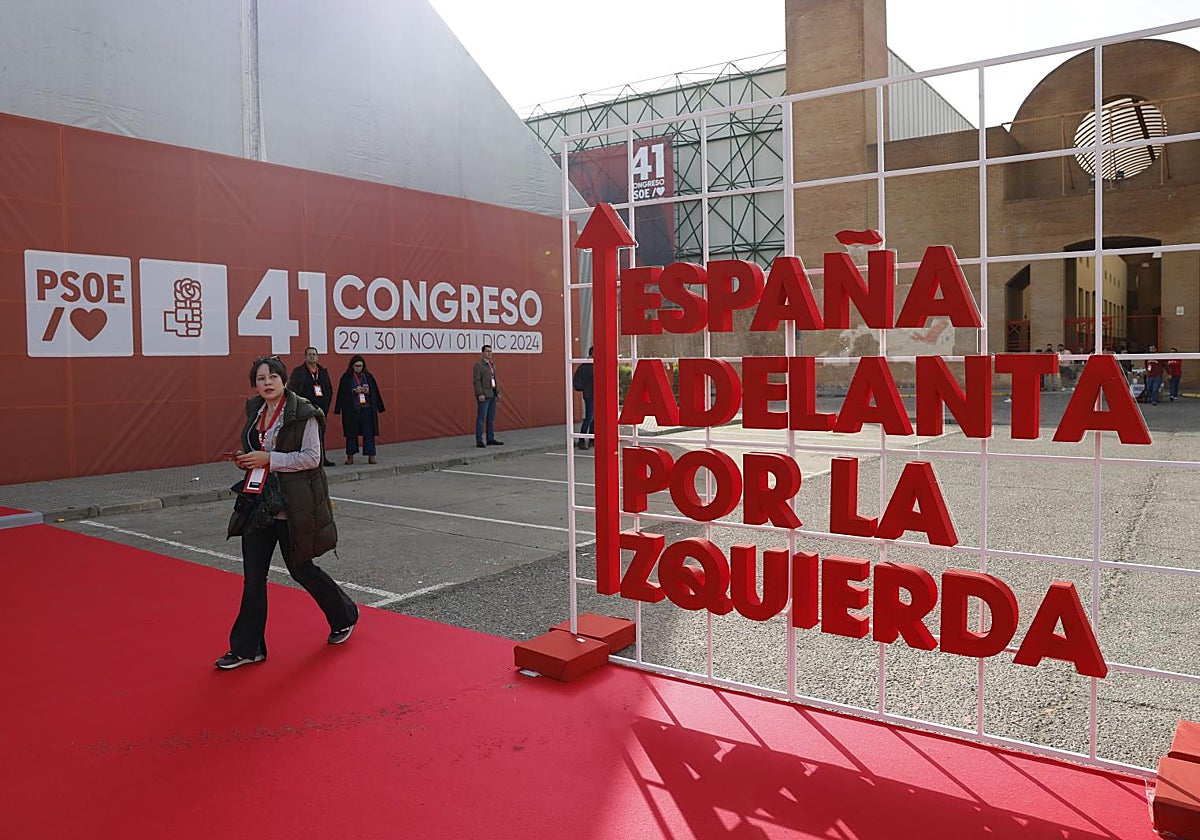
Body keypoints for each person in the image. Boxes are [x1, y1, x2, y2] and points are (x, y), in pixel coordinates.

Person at [218, 355, 358, 669]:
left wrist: (269, 460)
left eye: (272, 377)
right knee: (253, 579)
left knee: (301, 569)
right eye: (260, 379)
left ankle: (345, 615)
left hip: (291, 507)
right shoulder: (255, 411)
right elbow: (261, 450)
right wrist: (248, 459)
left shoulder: (304, 413)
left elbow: (311, 458)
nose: (266, 383)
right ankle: (247, 648)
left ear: (284, 380)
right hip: (257, 505)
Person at [288, 346, 336, 467]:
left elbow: (329, 390)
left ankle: (322, 458)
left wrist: (326, 406)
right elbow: (292, 390)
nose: (311, 356)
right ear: (305, 357)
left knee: (320, 435)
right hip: (305, 409)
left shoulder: (323, 372)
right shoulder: (299, 371)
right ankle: (305, 459)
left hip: (321, 410)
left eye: (314, 354)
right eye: (309, 354)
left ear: (317, 357)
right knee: (306, 435)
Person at [334, 355, 386, 464]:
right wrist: (354, 391)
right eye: (356, 366)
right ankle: (350, 456)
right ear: (352, 366)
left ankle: (371, 455)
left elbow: (375, 392)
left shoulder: (369, 376)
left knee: (369, 433)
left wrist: (369, 392)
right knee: (351, 433)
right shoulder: (346, 377)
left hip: (367, 409)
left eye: (361, 366)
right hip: (352, 410)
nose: (359, 368)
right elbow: (341, 394)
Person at [472, 344, 503, 448]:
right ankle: (479, 440)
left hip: (492, 394)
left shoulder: (492, 364)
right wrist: (480, 393)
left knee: (491, 418)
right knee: (481, 418)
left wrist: (498, 392)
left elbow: (495, 379)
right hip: (484, 395)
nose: (489, 353)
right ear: (483, 353)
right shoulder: (479, 365)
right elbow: (477, 381)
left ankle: (490, 438)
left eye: (491, 351)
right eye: (487, 351)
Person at [573, 345, 594, 450]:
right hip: (590, 395)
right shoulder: (587, 366)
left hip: (593, 394)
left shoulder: (586, 365)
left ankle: (591, 439)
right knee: (589, 417)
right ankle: (582, 440)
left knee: (593, 418)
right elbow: (578, 382)